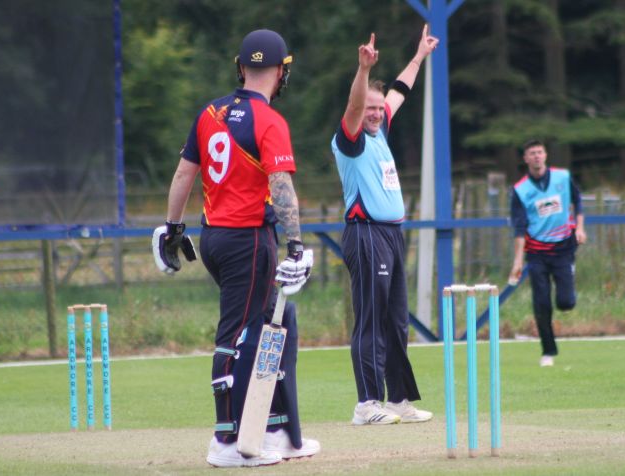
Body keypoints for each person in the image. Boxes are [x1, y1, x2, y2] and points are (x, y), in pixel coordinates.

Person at [151, 29, 318, 468]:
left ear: (241, 68)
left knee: (279, 323)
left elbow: (183, 175)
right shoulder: (269, 121)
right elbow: (281, 185)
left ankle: (278, 430)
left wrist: (172, 229)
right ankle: (226, 440)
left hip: (214, 238)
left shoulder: (210, 113)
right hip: (248, 240)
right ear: (281, 72)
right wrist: (297, 245)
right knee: (239, 335)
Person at [330, 27, 437, 426]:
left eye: (379, 108)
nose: (376, 113)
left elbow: (400, 92)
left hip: (391, 235)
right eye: (370, 108)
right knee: (372, 320)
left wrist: (419, 56)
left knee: (396, 321)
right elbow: (355, 105)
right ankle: (367, 403)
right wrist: (363, 70)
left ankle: (398, 400)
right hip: (366, 234)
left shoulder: (380, 131)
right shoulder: (351, 139)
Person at [508, 140, 586, 367]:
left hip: (563, 248)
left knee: (566, 303)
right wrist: (517, 262)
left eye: (540, 152)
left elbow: (578, 200)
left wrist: (580, 228)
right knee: (541, 303)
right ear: (526, 158)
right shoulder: (520, 190)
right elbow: (519, 228)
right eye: (532, 153)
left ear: (546, 155)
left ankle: (569, 274)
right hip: (537, 252)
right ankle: (548, 351)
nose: (536, 156)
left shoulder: (562, 177)